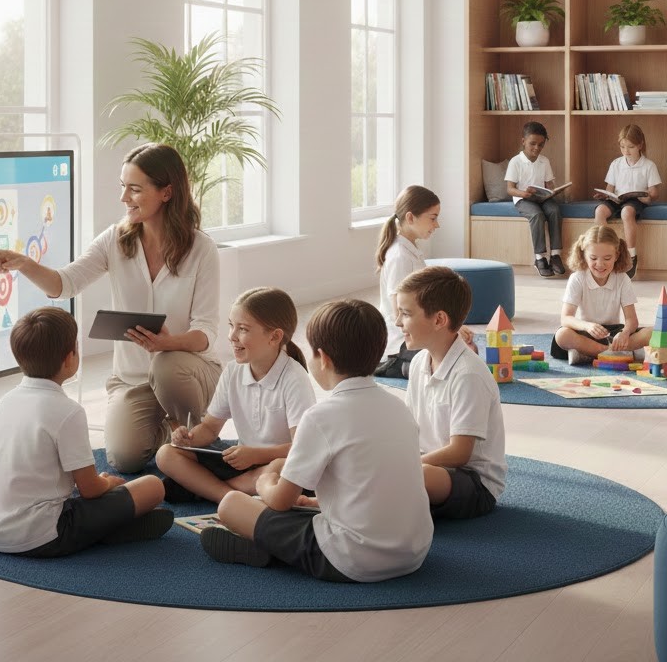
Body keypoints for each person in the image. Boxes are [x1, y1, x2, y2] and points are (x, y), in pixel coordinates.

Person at [0, 143, 221, 473]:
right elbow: (64, 283)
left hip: (188, 373)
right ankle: (164, 433)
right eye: (122, 186)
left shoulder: (202, 249)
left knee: (167, 366)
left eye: (135, 189)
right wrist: (25, 264)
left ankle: (192, 433)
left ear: (167, 192)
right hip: (132, 380)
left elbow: (207, 332)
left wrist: (167, 344)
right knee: (124, 459)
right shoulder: (115, 240)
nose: (124, 197)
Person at [199, 299, 433, 582]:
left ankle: (268, 549)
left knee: (232, 505)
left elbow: (281, 501)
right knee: (302, 513)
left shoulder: (320, 417)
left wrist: (265, 481)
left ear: (323, 358)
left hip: (353, 561)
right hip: (414, 553)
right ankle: (269, 547)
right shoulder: (399, 408)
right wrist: (322, 504)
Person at [0, 307, 174, 556]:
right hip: (40, 535)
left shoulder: (6, 401)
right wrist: (107, 483)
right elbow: (90, 489)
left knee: (91, 501)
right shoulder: (68, 411)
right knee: (153, 487)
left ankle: (107, 528)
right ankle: (107, 530)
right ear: (69, 358)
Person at [154, 287, 315, 503]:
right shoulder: (233, 371)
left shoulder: (294, 379)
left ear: (275, 336)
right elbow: (210, 429)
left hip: (273, 463)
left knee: (279, 468)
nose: (231, 336)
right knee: (166, 454)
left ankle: (206, 489)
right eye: (231, 326)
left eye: (243, 329)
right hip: (242, 463)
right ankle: (229, 495)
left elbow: (302, 448)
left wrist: (255, 455)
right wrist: (188, 439)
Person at [396, 266, 506, 521]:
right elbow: (411, 430)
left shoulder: (468, 374)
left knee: (412, 476)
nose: (398, 322)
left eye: (405, 313)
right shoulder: (418, 363)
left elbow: (459, 453)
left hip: (473, 482)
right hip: (428, 464)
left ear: (439, 320)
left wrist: (406, 466)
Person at [375, 185, 476, 379]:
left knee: (467, 350)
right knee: (460, 356)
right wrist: (446, 331)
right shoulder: (399, 256)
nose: (437, 225)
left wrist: (450, 326)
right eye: (433, 217)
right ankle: (402, 367)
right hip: (400, 344)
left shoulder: (410, 251)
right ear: (411, 217)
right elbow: (400, 314)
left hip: (418, 330)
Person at [552, 224, 652, 365]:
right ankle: (613, 353)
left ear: (616, 255)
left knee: (654, 332)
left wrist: (624, 333)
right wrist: (587, 326)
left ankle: (591, 354)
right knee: (562, 335)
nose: (600, 264)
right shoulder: (577, 278)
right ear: (583, 254)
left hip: (614, 334)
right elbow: (566, 318)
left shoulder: (622, 278)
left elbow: (632, 320)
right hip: (586, 332)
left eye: (607, 258)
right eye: (593, 258)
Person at [593, 123, 661, 279]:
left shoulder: (649, 166)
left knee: (626, 212)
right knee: (600, 211)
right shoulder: (616, 164)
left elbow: (654, 192)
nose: (626, 151)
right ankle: (607, 250)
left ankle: (631, 255)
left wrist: (647, 195)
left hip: (635, 200)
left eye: (630, 147)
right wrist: (605, 195)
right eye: (622, 147)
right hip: (617, 199)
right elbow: (610, 188)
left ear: (640, 145)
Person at [505, 121, 565, 278]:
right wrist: (523, 194)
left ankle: (556, 255)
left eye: (541, 145)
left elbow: (549, 184)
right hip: (523, 199)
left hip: (541, 197)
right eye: (532, 144)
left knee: (554, 210)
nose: (536, 148)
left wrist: (553, 191)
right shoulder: (515, 162)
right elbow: (510, 189)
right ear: (523, 141)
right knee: (537, 215)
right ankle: (540, 258)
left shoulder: (544, 161)